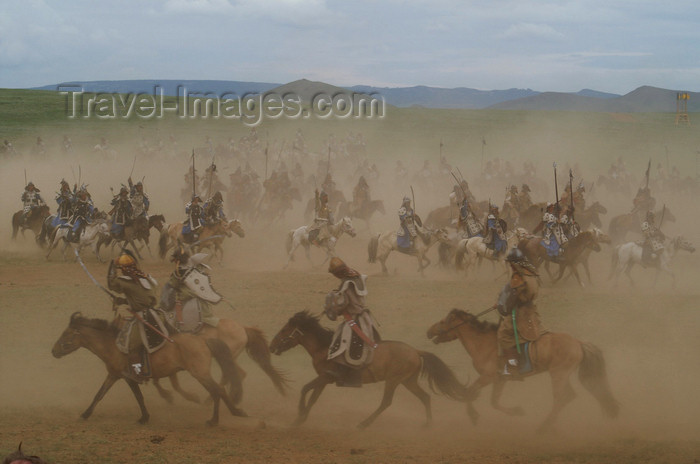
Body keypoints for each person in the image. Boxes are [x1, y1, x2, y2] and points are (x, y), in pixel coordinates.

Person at [324, 257, 378, 387]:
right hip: (362, 317)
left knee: (342, 341)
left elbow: (343, 302)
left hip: (355, 318)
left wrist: (333, 307)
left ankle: (347, 375)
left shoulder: (347, 283)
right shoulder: (356, 277)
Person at [108, 251, 159, 382]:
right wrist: (123, 301)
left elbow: (111, 284)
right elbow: (141, 298)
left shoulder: (125, 282)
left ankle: (138, 373)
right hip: (155, 312)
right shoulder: (145, 277)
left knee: (132, 346)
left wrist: (112, 267)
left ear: (123, 270)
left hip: (144, 317)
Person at [495, 248, 547, 376]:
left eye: (510, 263)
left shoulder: (518, 277)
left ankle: (512, 365)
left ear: (514, 263)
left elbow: (512, 299)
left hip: (520, 312)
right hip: (531, 310)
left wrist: (502, 307)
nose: (510, 266)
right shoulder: (531, 273)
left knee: (503, 335)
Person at [160, 246, 221, 332]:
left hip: (186, 294)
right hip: (200, 296)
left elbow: (172, 284)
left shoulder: (179, 271)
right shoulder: (197, 266)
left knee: (176, 301)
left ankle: (179, 323)